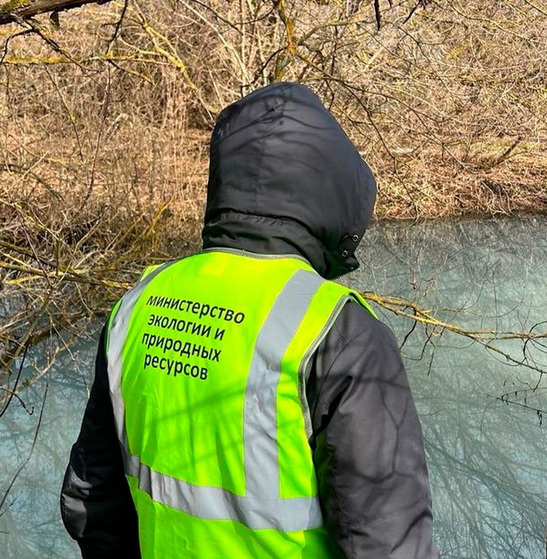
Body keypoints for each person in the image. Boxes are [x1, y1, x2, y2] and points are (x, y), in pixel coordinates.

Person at [60, 82, 439, 559]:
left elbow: (89, 498)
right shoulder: (338, 330)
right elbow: (390, 543)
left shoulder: (138, 305)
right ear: (336, 194)